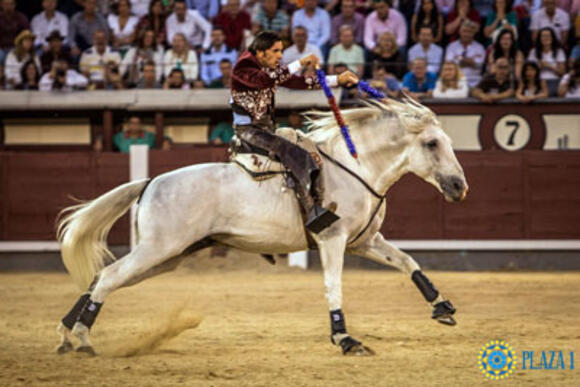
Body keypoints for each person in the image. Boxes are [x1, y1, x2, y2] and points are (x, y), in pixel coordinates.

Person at [230, 30, 359, 233]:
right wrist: (300, 62)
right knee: (296, 155)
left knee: (307, 149)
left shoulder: (267, 68)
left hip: (265, 129)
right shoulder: (243, 67)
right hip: (250, 131)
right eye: (276, 51)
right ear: (261, 52)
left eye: (281, 51)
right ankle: (312, 210)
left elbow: (297, 82)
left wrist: (336, 80)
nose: (280, 56)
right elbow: (265, 81)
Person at [444, 21, 486, 87]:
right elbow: (450, 64)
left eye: (469, 32)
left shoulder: (480, 47)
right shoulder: (451, 46)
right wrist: (470, 61)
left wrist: (459, 58)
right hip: (455, 81)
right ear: (459, 32)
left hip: (475, 82)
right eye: (464, 31)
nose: (466, 34)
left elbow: (479, 65)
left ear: (473, 33)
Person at [526, 27, 566, 95]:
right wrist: (538, 67)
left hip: (555, 81)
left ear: (552, 38)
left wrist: (549, 66)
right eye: (543, 36)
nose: (546, 38)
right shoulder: (533, 52)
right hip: (538, 81)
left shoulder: (559, 51)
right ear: (540, 38)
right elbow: (528, 72)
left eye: (548, 36)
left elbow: (562, 72)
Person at [0, 0, 30, 65]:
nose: (8, 7)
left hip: (16, 48)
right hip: (1, 48)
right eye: (6, 4)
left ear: (15, 5)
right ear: (1, 5)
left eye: (10, 4)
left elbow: (27, 34)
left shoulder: (22, 18)